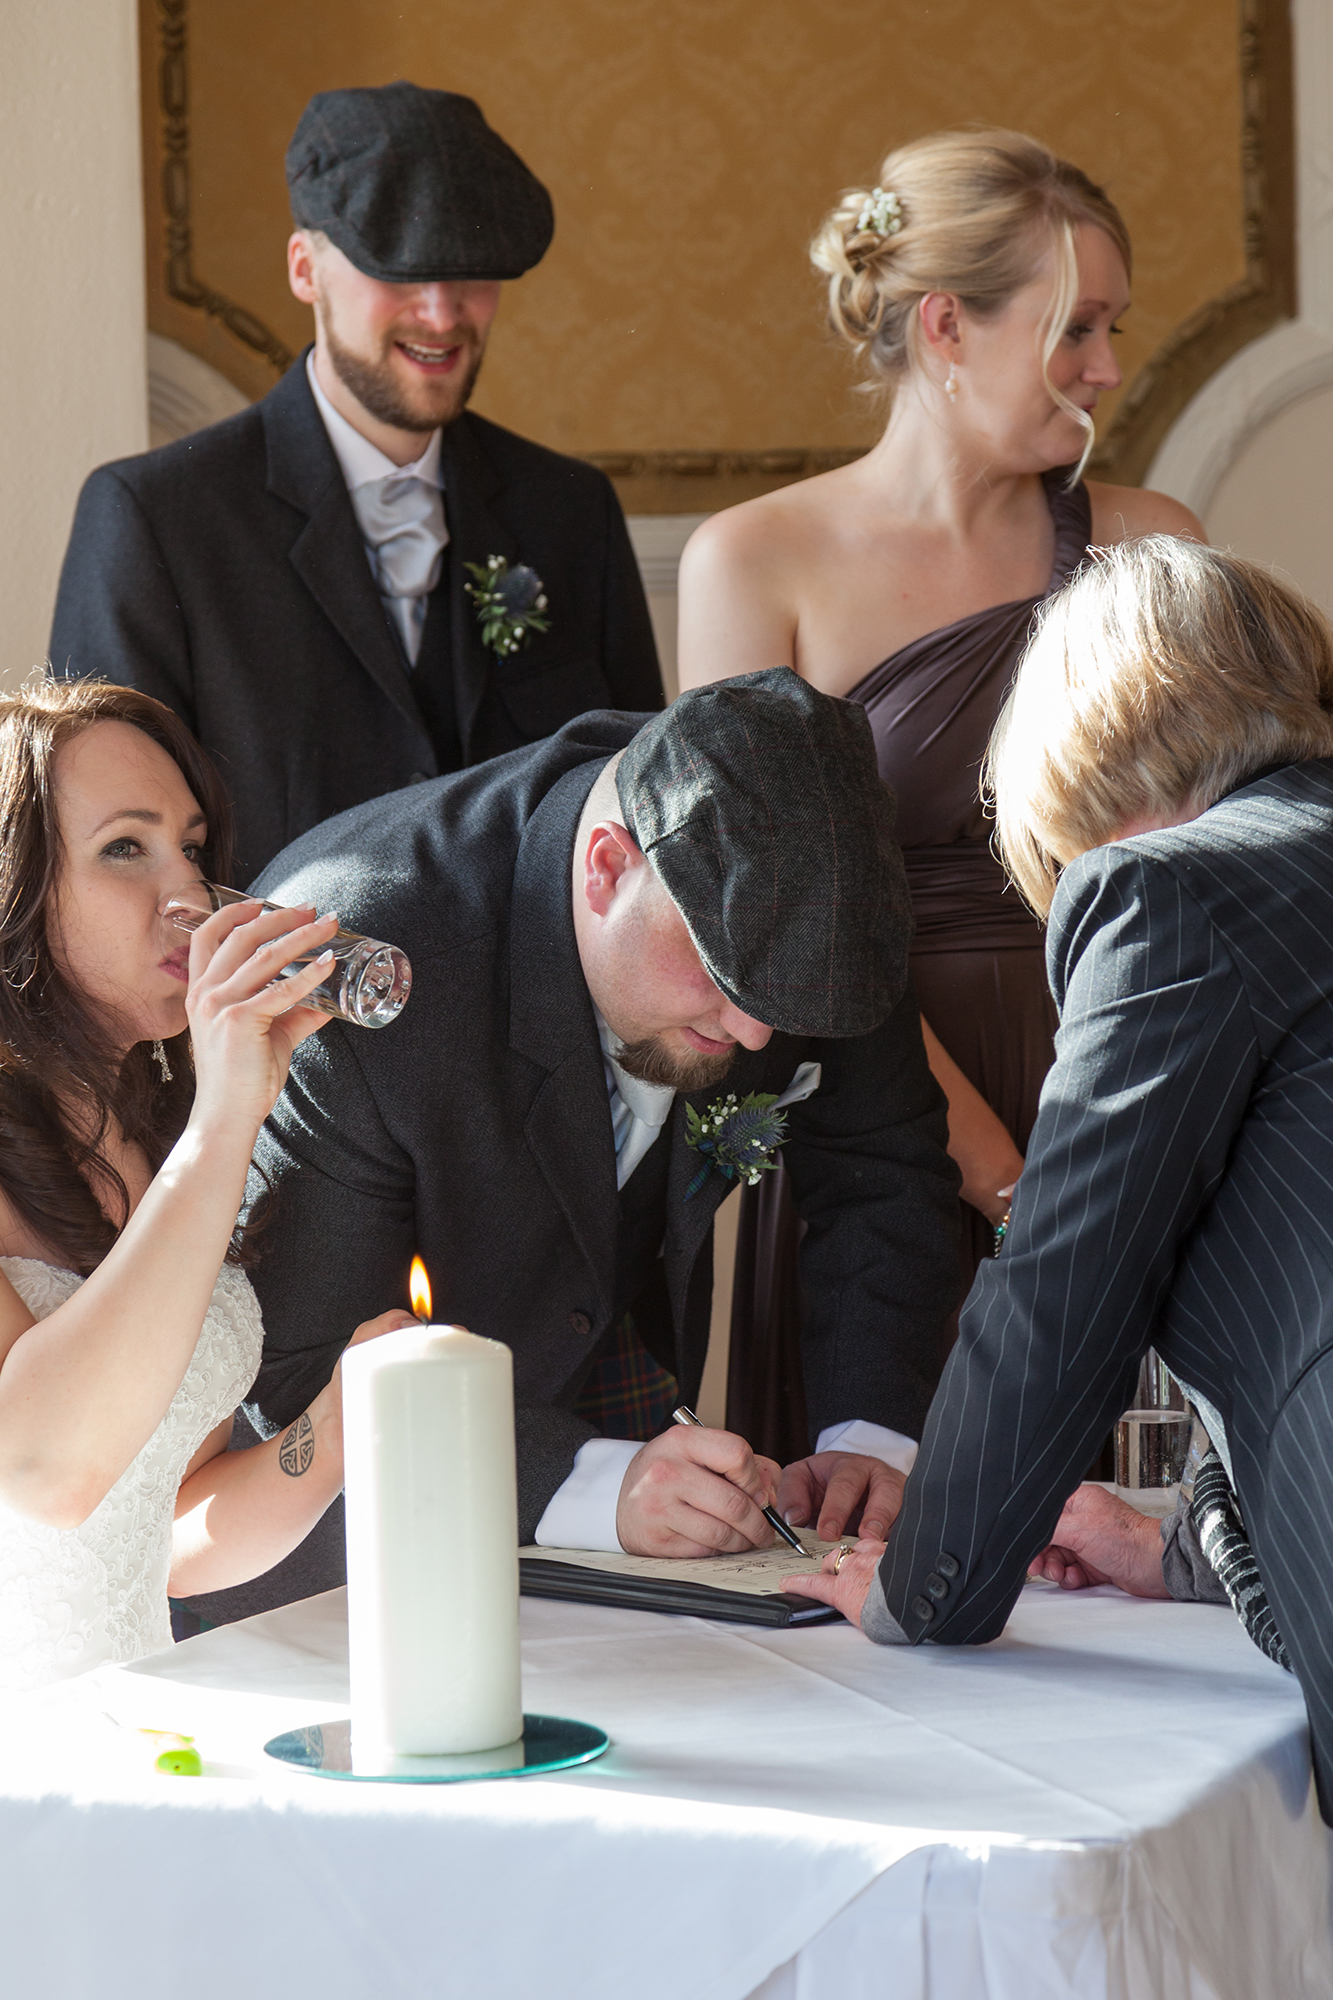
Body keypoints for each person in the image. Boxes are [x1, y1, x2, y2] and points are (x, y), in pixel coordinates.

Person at [176, 668, 961, 1628]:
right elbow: (306, 1370)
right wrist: (596, 1486)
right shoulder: (360, 978)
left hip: (621, 1410)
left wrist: (868, 1439)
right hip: (343, 1551)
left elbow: (885, 1173)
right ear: (606, 866)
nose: (757, 1034)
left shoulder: (818, 905)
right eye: (723, 975)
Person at [785, 538, 1333, 1820]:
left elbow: (1063, 1288)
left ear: (1084, 747)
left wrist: (924, 1587)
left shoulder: (1168, 890)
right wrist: (1175, 1547)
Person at [675, 129, 1203, 1444]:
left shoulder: (1153, 545)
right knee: (888, 1497)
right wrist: (997, 1173)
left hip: (1125, 1083)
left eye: (1113, 328)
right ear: (945, 326)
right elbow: (759, 920)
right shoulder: (754, 561)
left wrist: (1125, 1154)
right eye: (1075, 329)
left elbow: (1217, 864)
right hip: (878, 1127)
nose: (1107, 368)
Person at [49, 83, 662, 884]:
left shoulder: (571, 511)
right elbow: (107, 856)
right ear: (305, 270)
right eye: (399, 272)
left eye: (471, 274)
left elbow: (639, 802)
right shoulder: (153, 519)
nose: (441, 315)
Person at [0, 678, 410, 1688]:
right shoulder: (204, 1138)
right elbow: (45, 1473)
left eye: (192, 848)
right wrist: (228, 1117)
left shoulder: (154, 1140)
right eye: (125, 848)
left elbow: (174, 1528)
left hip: (129, 1715)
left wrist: (337, 1424)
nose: (187, 894)